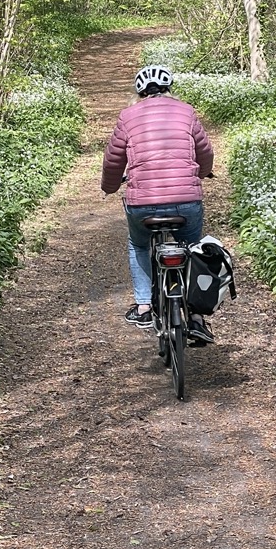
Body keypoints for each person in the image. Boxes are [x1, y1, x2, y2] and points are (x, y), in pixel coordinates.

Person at [101, 64, 216, 344]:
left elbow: (114, 159)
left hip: (143, 205)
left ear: (140, 92)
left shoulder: (128, 116)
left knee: (139, 244)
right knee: (192, 248)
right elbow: (205, 151)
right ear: (169, 88)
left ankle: (143, 307)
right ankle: (197, 317)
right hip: (186, 200)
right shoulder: (187, 112)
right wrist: (201, 172)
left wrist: (110, 186)